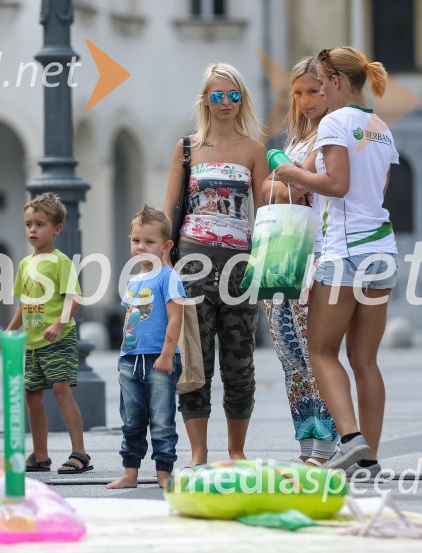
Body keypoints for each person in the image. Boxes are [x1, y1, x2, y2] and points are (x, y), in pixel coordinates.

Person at [274, 46, 399, 477]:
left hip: (344, 252)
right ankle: (370, 460)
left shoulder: (334, 121)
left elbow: (337, 184)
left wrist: (293, 174)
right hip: (383, 249)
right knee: (366, 359)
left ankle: (349, 438)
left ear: (338, 82)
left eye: (324, 83)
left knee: (321, 350)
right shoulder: (380, 126)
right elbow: (376, 191)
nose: (321, 91)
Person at [163, 62, 267, 467]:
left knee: (239, 361)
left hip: (240, 266)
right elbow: (170, 205)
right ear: (206, 99)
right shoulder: (187, 148)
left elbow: (265, 211)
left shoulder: (253, 149)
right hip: (192, 261)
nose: (226, 103)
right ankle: (198, 453)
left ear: (242, 99)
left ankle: (236, 451)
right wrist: (161, 258)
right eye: (218, 95)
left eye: (233, 95)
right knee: (195, 358)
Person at [261, 56, 337, 467]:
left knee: (314, 352)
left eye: (312, 91)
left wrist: (286, 180)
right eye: (298, 93)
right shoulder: (295, 140)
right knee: (289, 354)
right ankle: (306, 438)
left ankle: (330, 438)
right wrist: (287, 181)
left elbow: (298, 184)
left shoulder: (334, 133)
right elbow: (272, 186)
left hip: (320, 253)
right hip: (285, 252)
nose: (305, 100)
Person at [0, 192, 92, 474]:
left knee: (61, 391)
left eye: (40, 224)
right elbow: (23, 303)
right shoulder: (26, 264)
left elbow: (75, 297)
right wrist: (9, 331)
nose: (32, 230)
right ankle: (40, 455)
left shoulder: (60, 261)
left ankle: (80, 453)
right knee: (31, 395)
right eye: (29, 224)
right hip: (33, 344)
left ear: (57, 228)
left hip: (58, 340)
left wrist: (59, 324)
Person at [106, 206, 184, 490]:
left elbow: (176, 318)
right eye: (136, 240)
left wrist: (166, 355)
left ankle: (164, 473)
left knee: (162, 421)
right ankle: (130, 473)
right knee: (131, 420)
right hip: (130, 360)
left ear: (165, 246)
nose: (141, 247)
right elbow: (131, 320)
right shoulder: (133, 281)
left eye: (149, 242)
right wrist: (122, 356)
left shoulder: (168, 277)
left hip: (159, 359)